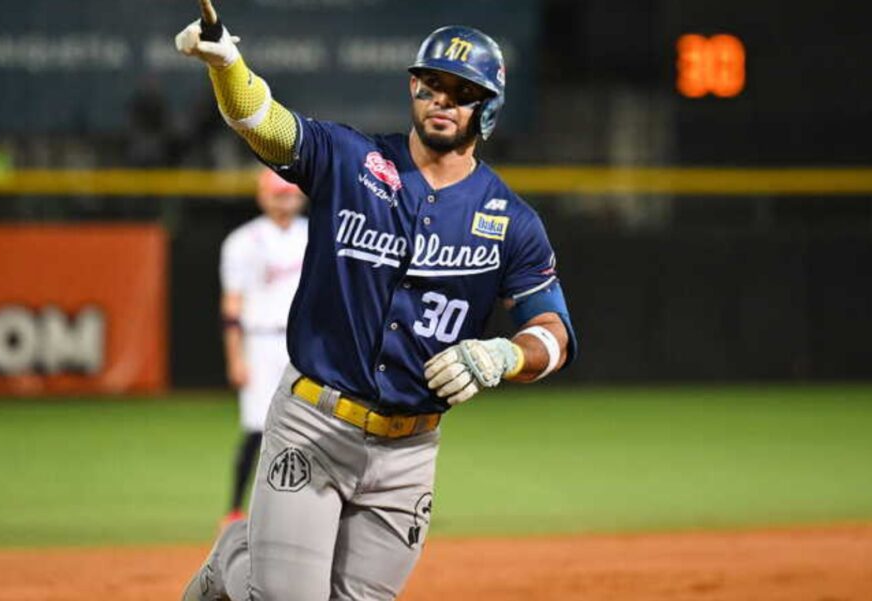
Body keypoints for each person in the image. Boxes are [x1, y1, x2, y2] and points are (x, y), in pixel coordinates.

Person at [176, 15, 578, 601]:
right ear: (413, 88)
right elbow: (265, 125)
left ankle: (245, 555)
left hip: (409, 453)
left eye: (464, 93)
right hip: (314, 425)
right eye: (433, 85)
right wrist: (227, 67)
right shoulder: (351, 159)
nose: (444, 101)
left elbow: (554, 332)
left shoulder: (512, 222)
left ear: (488, 109)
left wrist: (504, 355)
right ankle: (236, 559)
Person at [219, 168, 308, 524]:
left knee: (309, 428)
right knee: (257, 427)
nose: (285, 200)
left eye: (289, 193)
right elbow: (231, 306)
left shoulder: (316, 234)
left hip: (304, 341)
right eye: (278, 193)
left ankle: (301, 510)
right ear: (262, 195)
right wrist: (235, 356)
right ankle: (235, 509)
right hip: (260, 340)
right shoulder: (243, 241)